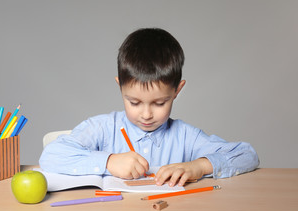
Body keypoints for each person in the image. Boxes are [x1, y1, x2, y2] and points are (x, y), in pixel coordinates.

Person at [39, 28, 259, 187]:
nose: (146, 114)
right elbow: (51, 155)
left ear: (177, 91)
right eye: (134, 102)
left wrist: (198, 167)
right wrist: (109, 161)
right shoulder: (103, 128)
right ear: (120, 87)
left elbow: (247, 155)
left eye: (159, 103)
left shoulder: (185, 136)